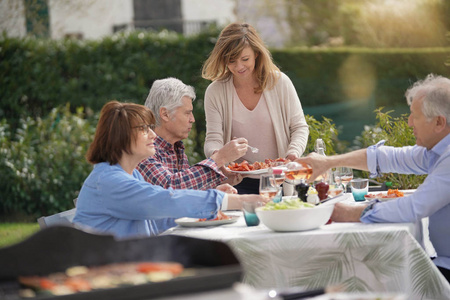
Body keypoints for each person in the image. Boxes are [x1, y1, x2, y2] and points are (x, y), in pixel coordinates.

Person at [296, 74, 450, 283]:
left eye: (415, 115)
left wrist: (350, 213)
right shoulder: (437, 149)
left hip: (446, 267)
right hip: (442, 261)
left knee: (360, 277)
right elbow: (387, 157)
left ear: (439, 122)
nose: (409, 122)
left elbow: (414, 207)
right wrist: (328, 162)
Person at [73, 101, 265, 239]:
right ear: (121, 137)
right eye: (144, 129)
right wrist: (235, 201)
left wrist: (211, 195)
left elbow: (161, 216)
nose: (152, 134)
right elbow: (165, 200)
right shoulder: (109, 181)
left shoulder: (130, 174)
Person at [201, 22, 309, 194]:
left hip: (281, 179)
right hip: (238, 182)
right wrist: (220, 158)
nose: (239, 67)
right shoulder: (215, 92)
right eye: (231, 61)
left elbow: (299, 127)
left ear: (257, 54)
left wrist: (292, 155)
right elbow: (213, 138)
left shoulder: (280, 83)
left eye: (245, 59)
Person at [138, 77, 244, 191]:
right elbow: (170, 189)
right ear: (165, 114)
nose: (192, 119)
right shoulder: (142, 148)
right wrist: (219, 158)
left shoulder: (176, 147)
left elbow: (185, 193)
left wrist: (220, 180)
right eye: (187, 113)